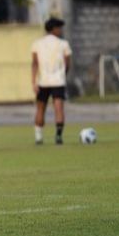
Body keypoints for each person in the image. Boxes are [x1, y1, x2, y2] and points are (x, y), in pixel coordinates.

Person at [32, 17, 72, 145]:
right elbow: (67, 64)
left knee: (40, 108)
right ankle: (58, 136)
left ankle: (38, 136)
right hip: (58, 81)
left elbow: (34, 63)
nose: (60, 30)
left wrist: (33, 82)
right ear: (53, 29)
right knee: (58, 107)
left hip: (43, 81)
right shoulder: (63, 44)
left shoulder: (37, 43)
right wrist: (63, 75)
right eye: (59, 28)